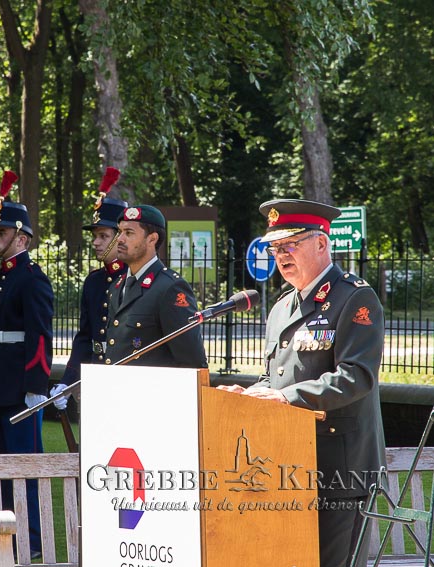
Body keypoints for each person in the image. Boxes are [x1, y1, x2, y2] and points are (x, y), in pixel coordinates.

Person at [218, 199, 385, 567]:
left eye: (290, 245)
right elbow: (275, 377)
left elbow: (356, 376)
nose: (281, 255)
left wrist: (283, 397)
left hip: (340, 469)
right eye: (275, 248)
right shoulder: (282, 307)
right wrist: (249, 396)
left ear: (321, 243)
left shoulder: (354, 297)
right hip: (287, 465)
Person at [0, 171, 53, 556]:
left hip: (21, 389)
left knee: (24, 467)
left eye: (1, 231)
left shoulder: (31, 279)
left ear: (22, 238)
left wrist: (36, 387)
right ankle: (7, 536)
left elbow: (40, 337)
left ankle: (33, 539)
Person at [50, 167, 127, 409]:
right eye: (95, 236)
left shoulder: (134, 278)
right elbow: (84, 338)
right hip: (95, 373)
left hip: (126, 378)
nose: (95, 242)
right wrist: (68, 381)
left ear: (120, 236)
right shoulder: (94, 281)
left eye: (103, 236)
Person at [104, 204, 207, 368]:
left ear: (152, 239)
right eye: (119, 232)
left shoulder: (170, 288)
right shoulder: (116, 287)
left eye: (129, 233)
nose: (120, 239)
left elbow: (192, 361)